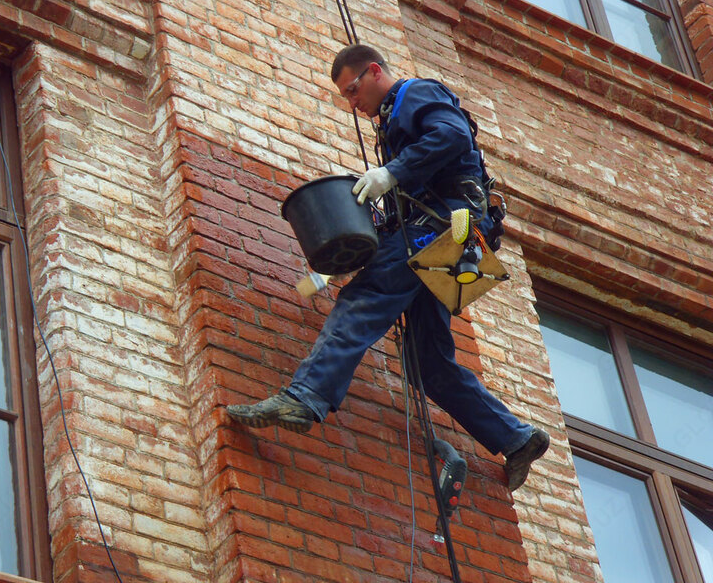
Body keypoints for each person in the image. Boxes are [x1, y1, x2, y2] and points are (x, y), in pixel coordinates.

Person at [226, 44, 549, 491]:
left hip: (444, 229)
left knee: (364, 299)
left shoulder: (414, 94)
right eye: (345, 97)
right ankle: (516, 438)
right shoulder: (391, 123)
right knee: (427, 363)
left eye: (353, 90)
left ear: (375, 72)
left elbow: (452, 135)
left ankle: (305, 398)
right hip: (452, 240)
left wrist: (390, 173)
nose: (351, 103)